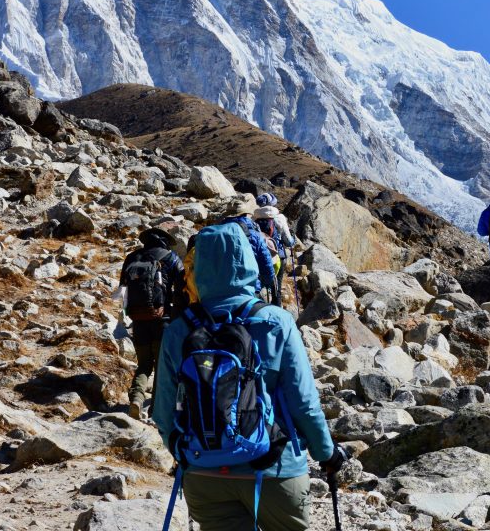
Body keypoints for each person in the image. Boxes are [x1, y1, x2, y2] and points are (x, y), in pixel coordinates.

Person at [153, 223, 347, 530]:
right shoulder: (276, 321)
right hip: (274, 469)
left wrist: (187, 453)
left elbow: (163, 412)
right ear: (247, 260)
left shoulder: (179, 330)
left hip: (204, 474)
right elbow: (304, 403)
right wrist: (327, 453)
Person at [119, 228, 186, 420]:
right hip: (162, 321)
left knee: (144, 365)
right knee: (162, 369)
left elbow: (122, 288)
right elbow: (182, 288)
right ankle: (155, 410)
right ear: (164, 242)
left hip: (138, 319)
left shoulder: (132, 258)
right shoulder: (171, 258)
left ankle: (137, 399)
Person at [221, 194, 277, 301]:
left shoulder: (218, 233)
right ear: (245, 214)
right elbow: (266, 263)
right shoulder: (255, 235)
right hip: (249, 287)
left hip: (222, 287)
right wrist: (265, 283)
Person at [254, 193, 297, 306]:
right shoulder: (279, 218)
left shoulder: (254, 220)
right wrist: (294, 240)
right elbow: (288, 242)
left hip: (259, 256)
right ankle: (277, 312)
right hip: (278, 256)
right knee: (276, 288)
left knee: (260, 285)